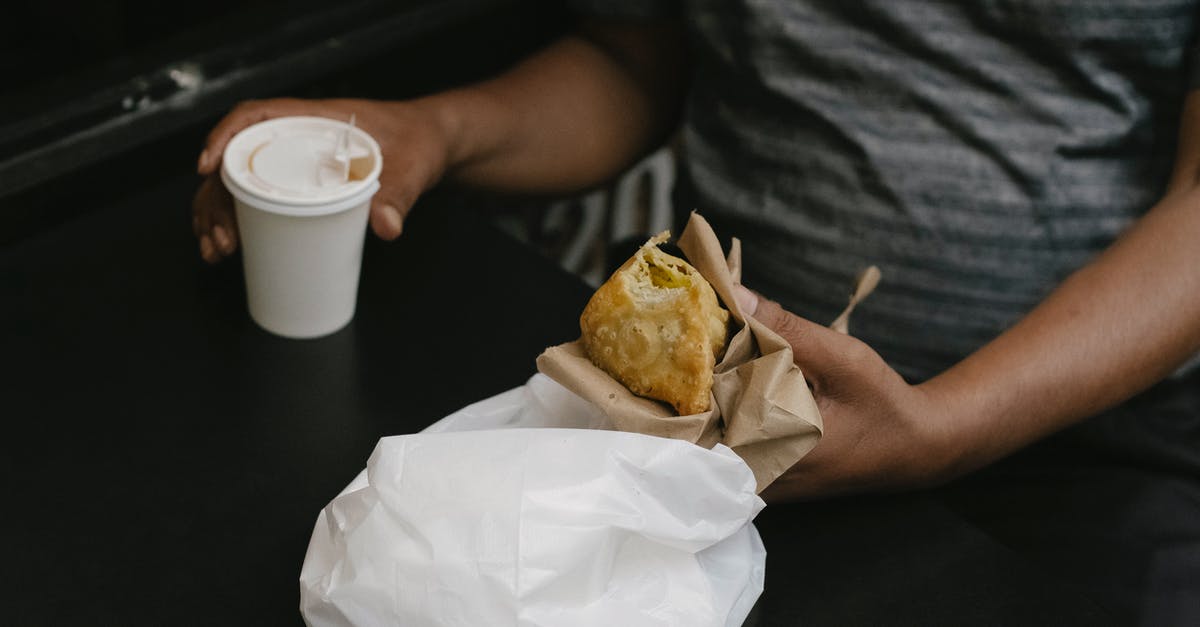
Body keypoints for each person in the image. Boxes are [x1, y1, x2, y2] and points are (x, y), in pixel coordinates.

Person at [193, 2, 1200, 620]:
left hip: (1091, 451)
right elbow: (636, 64)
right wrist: (439, 130)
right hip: (713, 436)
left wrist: (944, 428)